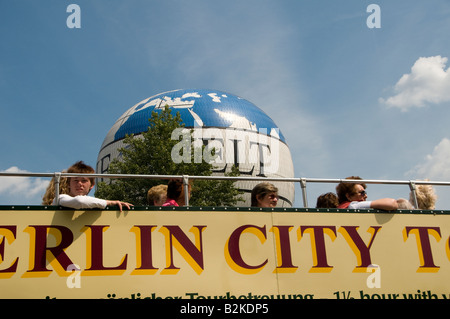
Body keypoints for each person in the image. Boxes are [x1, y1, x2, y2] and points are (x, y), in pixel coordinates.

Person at [54, 161, 133, 211]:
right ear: (68, 184)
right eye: (75, 180)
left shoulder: (94, 203)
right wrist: (109, 202)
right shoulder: (60, 198)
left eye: (84, 180)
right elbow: (80, 201)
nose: (80, 184)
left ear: (92, 185)